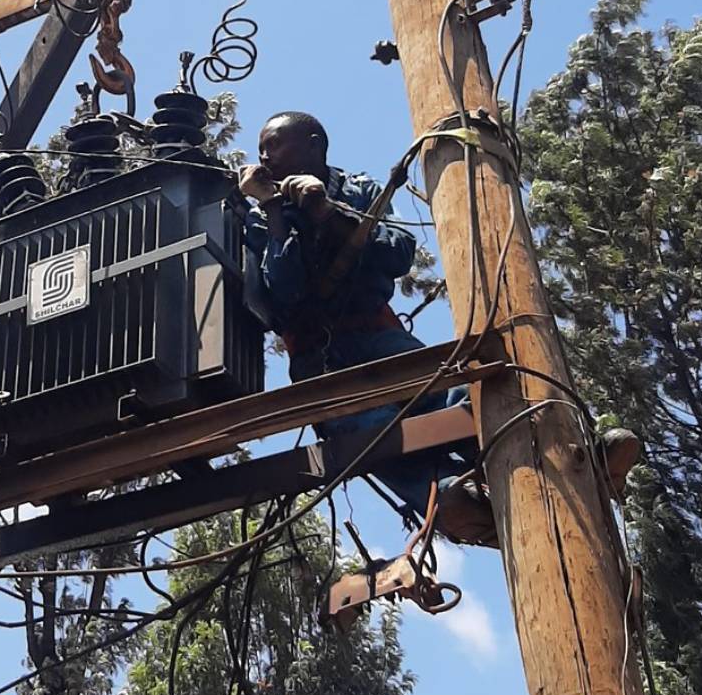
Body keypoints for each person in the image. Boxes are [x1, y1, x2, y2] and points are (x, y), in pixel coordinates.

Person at [237, 111, 639, 545]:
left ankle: (574, 456)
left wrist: (326, 211)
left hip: (379, 335)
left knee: (469, 389)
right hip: (321, 360)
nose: (264, 155)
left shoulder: (359, 190)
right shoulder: (262, 215)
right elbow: (284, 293)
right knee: (373, 434)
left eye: (275, 143)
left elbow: (397, 253)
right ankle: (454, 501)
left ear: (314, 143)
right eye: (262, 147)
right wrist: (276, 208)